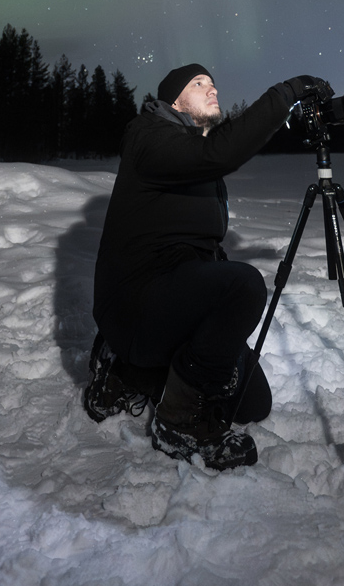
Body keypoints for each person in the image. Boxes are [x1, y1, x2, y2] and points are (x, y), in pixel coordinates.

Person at [84, 64, 328, 471]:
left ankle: (134, 374)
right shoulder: (149, 137)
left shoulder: (194, 156)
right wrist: (286, 93)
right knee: (244, 286)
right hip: (136, 305)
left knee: (252, 401)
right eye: (198, 85)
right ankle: (177, 423)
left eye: (214, 83)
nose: (212, 89)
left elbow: (198, 239)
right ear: (173, 100)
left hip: (173, 297)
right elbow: (221, 152)